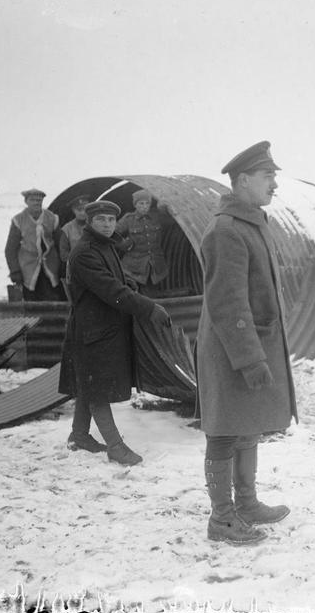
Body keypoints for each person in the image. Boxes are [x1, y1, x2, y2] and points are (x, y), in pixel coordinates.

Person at [196, 140, 297, 545]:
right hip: (230, 348)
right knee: (224, 430)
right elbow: (228, 303)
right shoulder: (226, 231)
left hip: (247, 343)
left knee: (247, 425)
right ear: (242, 180)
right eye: (268, 176)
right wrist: (250, 358)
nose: (275, 184)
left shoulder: (251, 223)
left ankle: (247, 502)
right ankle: (222, 519)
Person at [58, 200, 172, 466]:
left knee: (90, 381)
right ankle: (115, 446)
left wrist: (132, 285)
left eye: (111, 220)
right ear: (90, 222)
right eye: (102, 220)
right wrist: (148, 307)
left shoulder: (104, 247)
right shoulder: (85, 252)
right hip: (91, 330)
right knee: (96, 388)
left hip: (102, 328)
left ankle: (79, 435)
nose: (108, 225)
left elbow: (119, 279)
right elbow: (111, 290)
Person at [4, 188, 65, 301]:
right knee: (30, 300)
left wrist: (62, 265)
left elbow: (61, 244)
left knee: (53, 297)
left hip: (51, 267)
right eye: (33, 200)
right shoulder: (18, 220)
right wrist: (15, 271)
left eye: (39, 200)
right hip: (28, 268)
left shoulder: (52, 218)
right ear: (26, 201)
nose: (36, 202)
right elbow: (10, 249)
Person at [115, 188, 169, 296]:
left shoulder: (156, 216)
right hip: (135, 265)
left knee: (152, 292)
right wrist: (125, 245)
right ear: (135, 205)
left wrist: (165, 208)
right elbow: (112, 234)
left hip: (155, 264)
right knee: (137, 293)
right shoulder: (129, 219)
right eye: (141, 203)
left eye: (147, 203)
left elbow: (173, 221)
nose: (144, 206)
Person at [58, 194, 90, 268]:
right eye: (79, 210)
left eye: (85, 209)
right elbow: (63, 255)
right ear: (73, 210)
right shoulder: (66, 229)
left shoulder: (96, 225)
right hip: (76, 267)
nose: (82, 213)